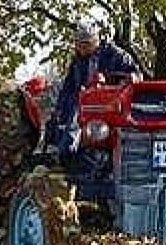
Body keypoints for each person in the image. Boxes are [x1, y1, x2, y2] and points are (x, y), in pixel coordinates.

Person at [45, 22, 140, 154]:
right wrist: (59, 110)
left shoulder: (115, 55)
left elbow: (134, 74)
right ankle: (65, 153)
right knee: (68, 118)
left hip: (110, 104)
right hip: (84, 103)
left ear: (96, 41)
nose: (82, 48)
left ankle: (70, 150)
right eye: (79, 45)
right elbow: (68, 88)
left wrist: (131, 77)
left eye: (86, 44)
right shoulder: (77, 62)